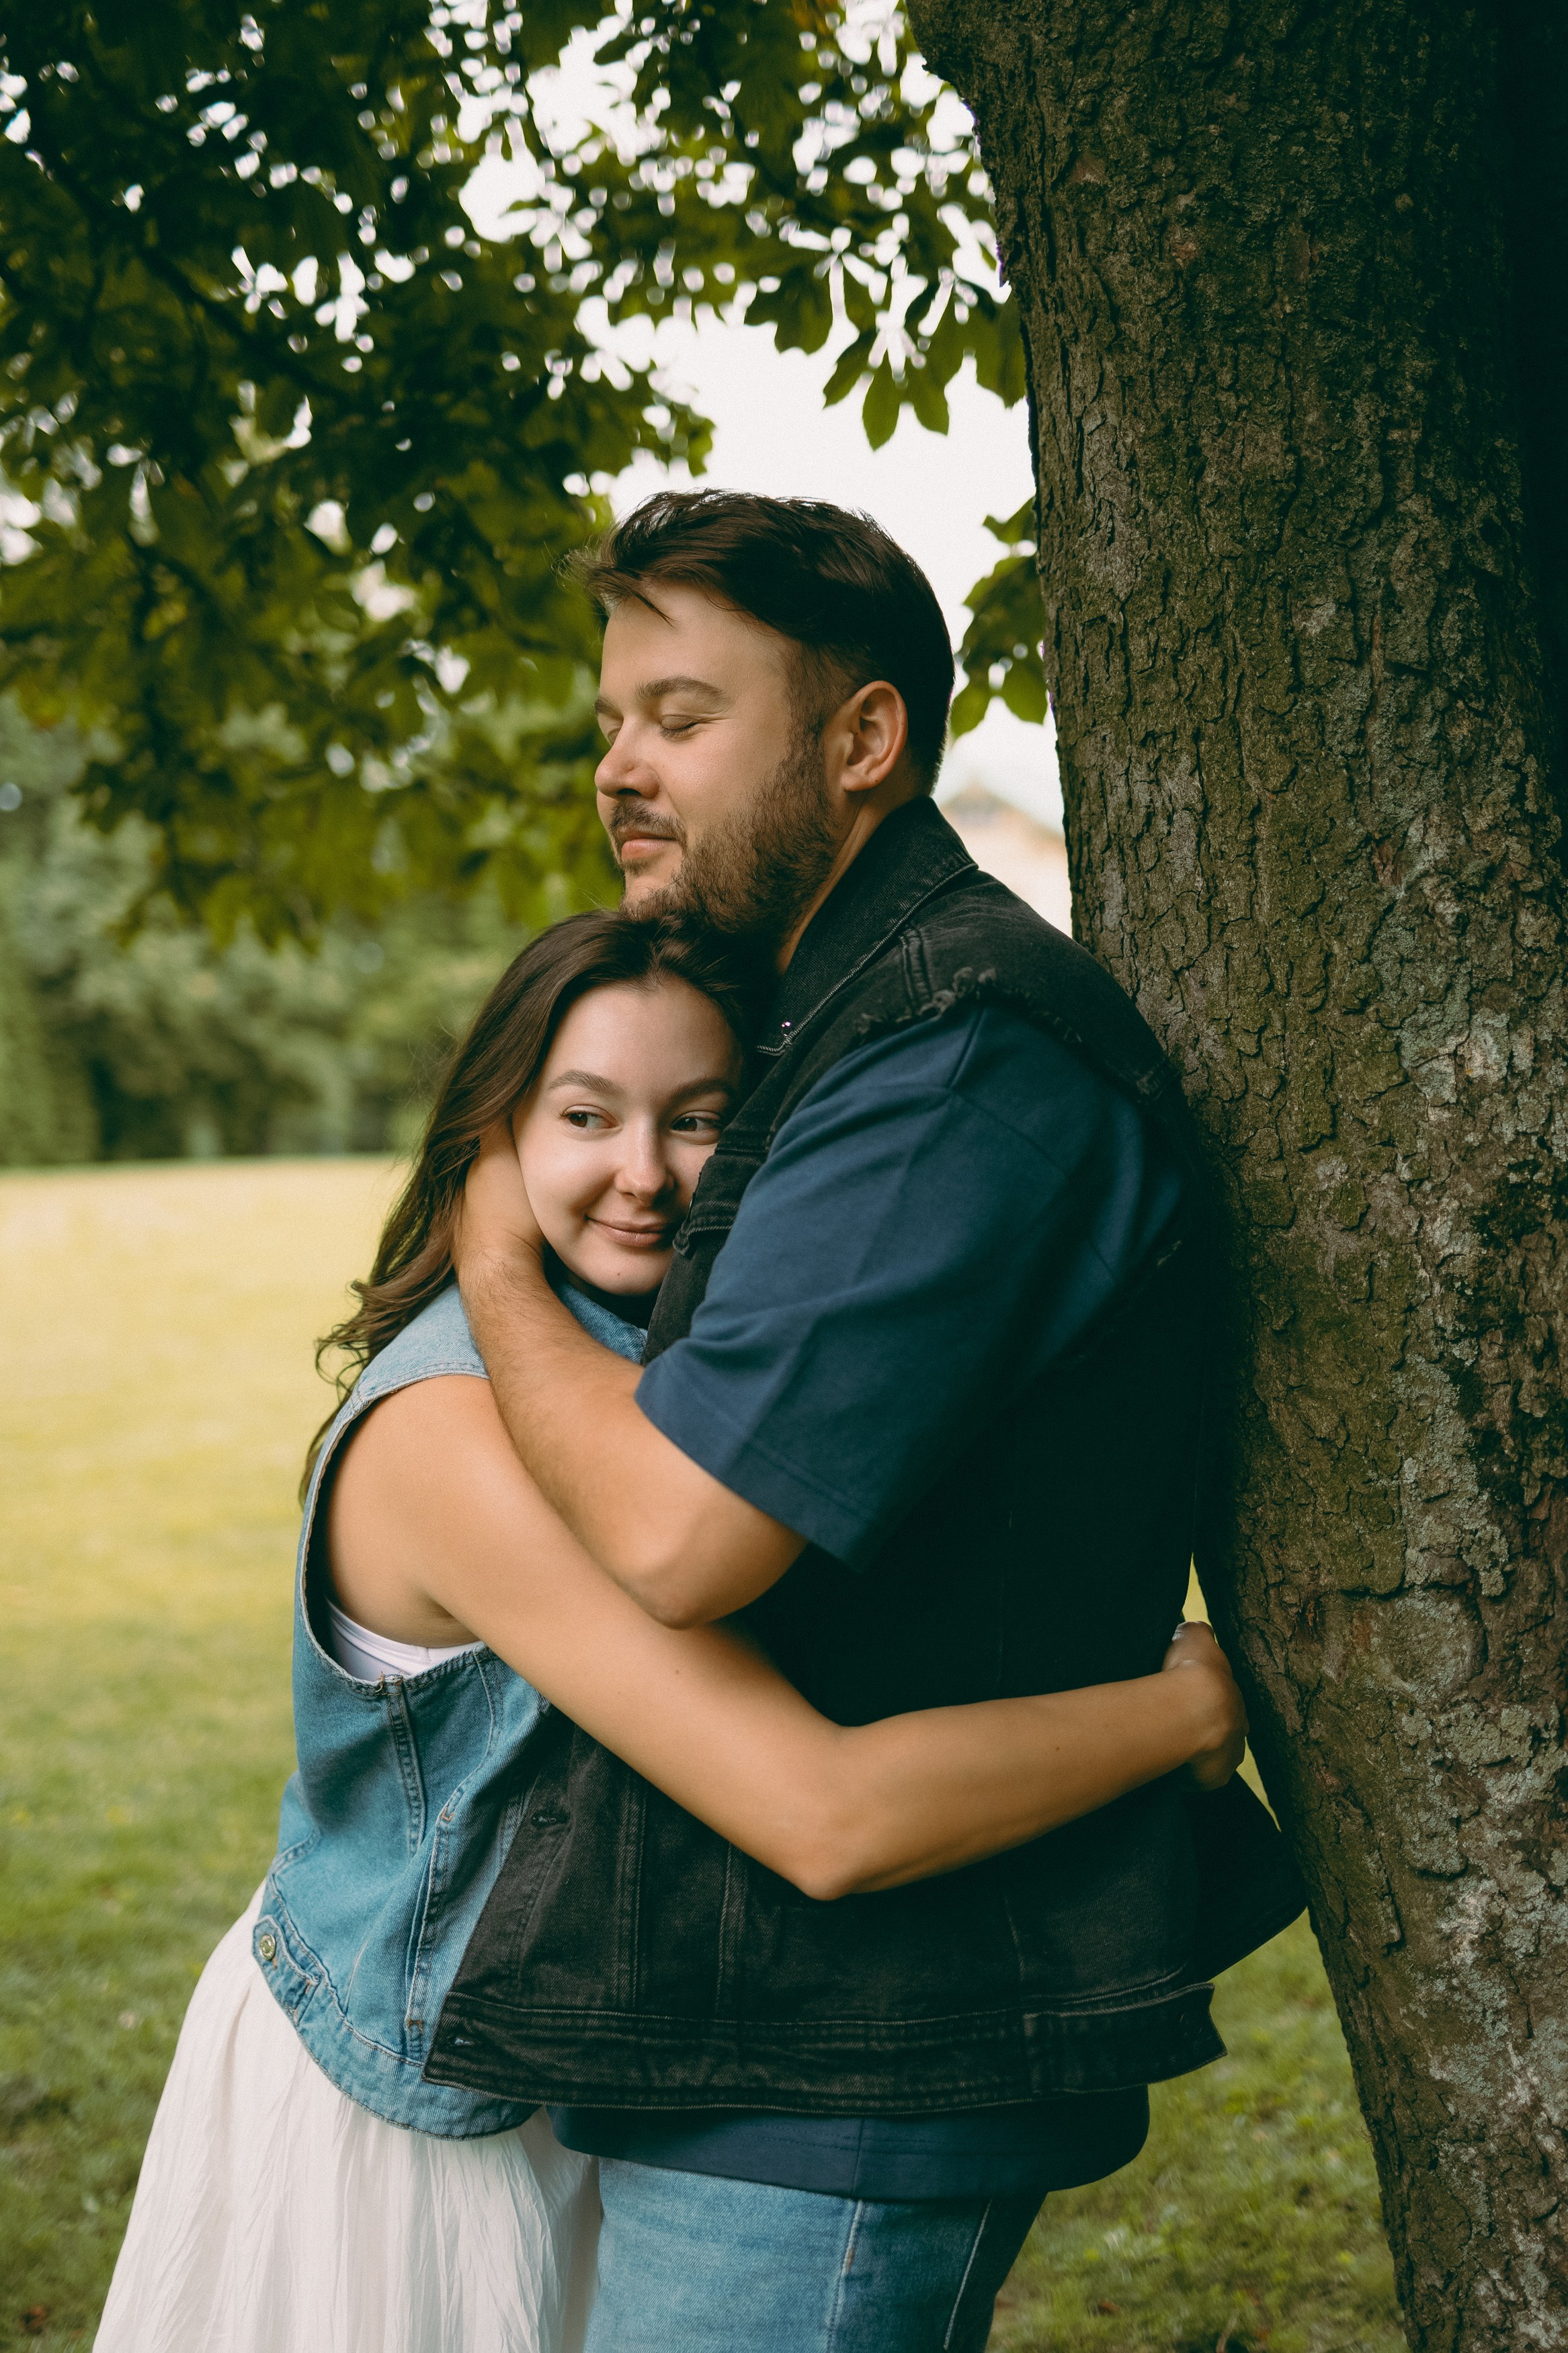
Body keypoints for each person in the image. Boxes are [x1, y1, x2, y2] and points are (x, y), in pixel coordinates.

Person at [94, 910, 1251, 2353]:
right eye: (586, 1115)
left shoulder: (651, 1391)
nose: (644, 1174)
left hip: (588, 2063)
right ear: (492, 1138)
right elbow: (821, 1810)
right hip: (406, 2117)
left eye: (698, 1118)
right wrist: (1185, 1713)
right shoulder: (458, 1434)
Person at [430, 491, 1307, 2352]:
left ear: (860, 740)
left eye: (678, 714)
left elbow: (678, 1532)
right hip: (771, 2027)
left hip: (852, 2059)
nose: (619, 766)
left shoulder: (958, 1056)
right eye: (608, 723)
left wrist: (491, 1256)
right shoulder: (829, 1023)